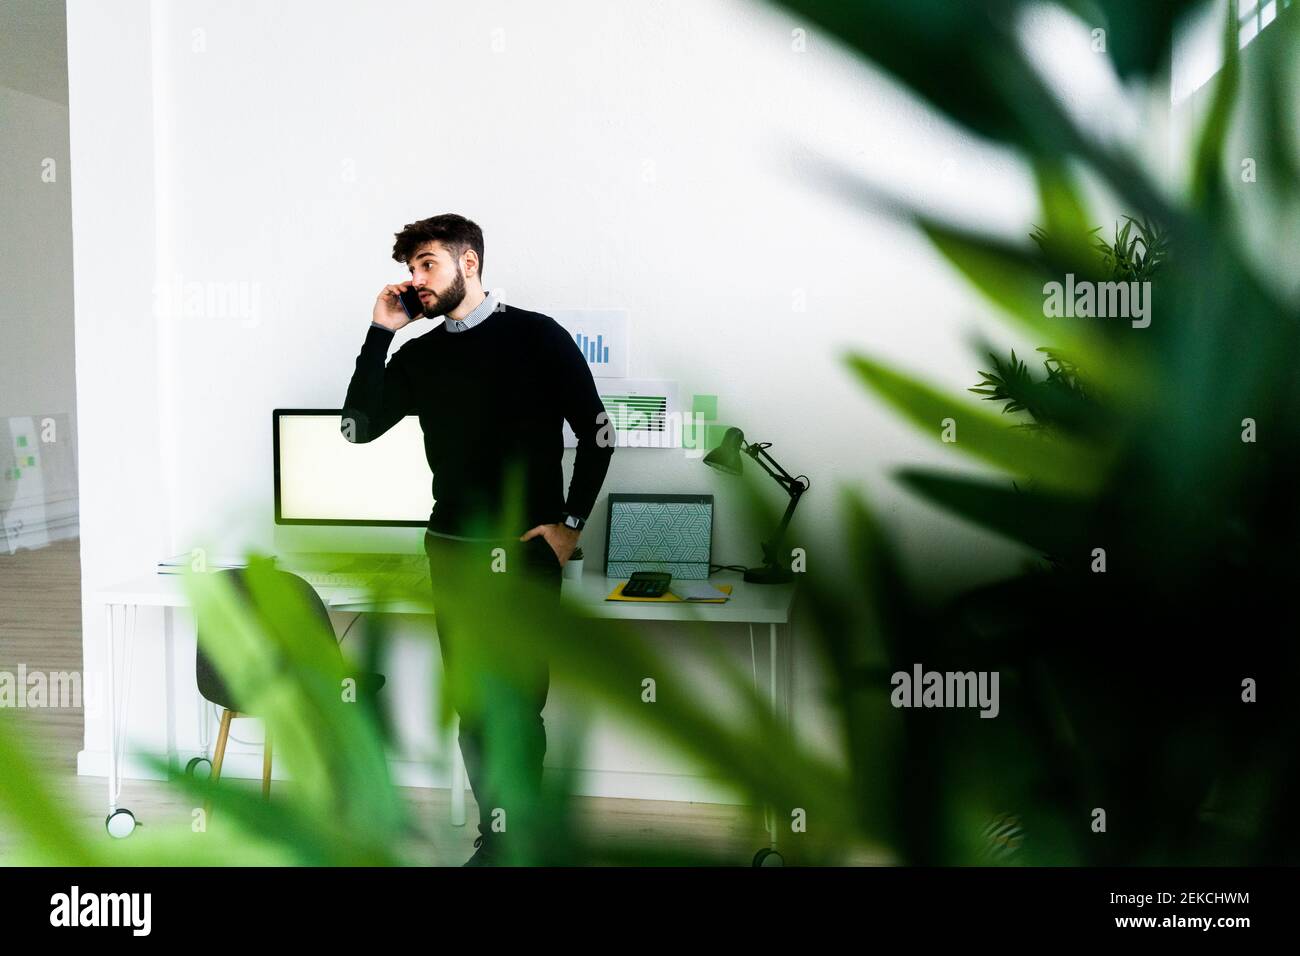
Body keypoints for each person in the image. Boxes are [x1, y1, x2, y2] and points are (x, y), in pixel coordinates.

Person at [341, 214, 615, 864]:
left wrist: (570, 527)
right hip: (452, 554)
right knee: (473, 710)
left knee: (518, 707)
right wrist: (380, 334)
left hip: (526, 557)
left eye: (427, 264)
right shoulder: (420, 354)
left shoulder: (538, 337)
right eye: (410, 269)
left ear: (469, 263)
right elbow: (355, 428)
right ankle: (496, 839)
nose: (415, 281)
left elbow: (599, 432)